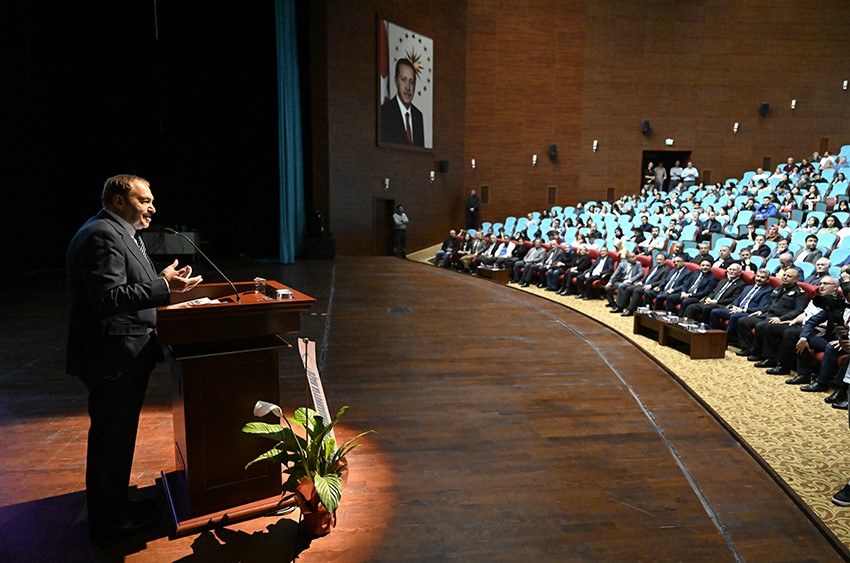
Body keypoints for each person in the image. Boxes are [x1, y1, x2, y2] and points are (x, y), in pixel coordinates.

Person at [67, 174, 202, 540]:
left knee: (119, 436)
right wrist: (162, 287)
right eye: (144, 201)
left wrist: (163, 279)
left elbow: (124, 287)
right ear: (117, 201)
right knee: (112, 438)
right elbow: (107, 299)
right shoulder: (102, 235)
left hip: (125, 352)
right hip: (113, 356)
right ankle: (110, 522)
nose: (152, 208)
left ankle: (117, 505)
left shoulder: (118, 232)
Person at [380, 58, 424, 147]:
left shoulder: (418, 116)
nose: (408, 87)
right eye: (403, 79)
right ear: (396, 81)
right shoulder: (384, 112)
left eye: (411, 81)